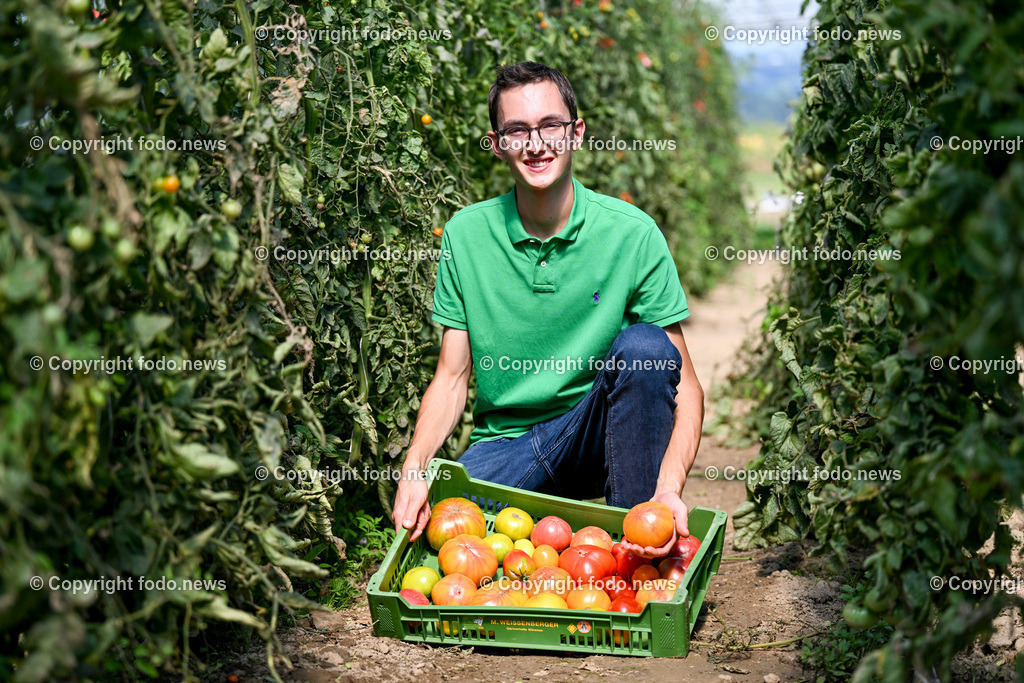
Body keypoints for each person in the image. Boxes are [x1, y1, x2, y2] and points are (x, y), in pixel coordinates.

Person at [392, 61, 703, 558]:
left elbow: (685, 385)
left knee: (646, 348)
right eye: (516, 130)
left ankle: (636, 544)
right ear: (497, 144)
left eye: (550, 126)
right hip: (509, 452)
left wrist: (667, 490)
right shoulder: (466, 235)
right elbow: (451, 379)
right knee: (446, 523)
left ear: (575, 133)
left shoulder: (632, 234)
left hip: (599, 440)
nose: (535, 144)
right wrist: (414, 468)